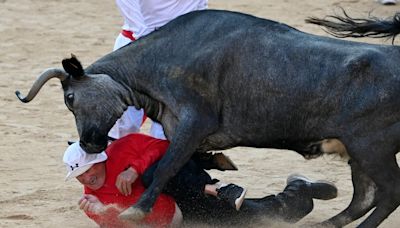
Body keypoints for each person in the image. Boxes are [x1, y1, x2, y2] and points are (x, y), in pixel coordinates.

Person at [64, 134, 338, 227]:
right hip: (181, 221)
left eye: (89, 168)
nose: (88, 176)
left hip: (188, 195)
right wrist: (103, 214)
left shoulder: (122, 149)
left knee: (263, 218)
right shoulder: (91, 198)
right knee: (254, 215)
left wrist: (133, 169)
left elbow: (164, 147)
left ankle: (297, 191)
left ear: (100, 158)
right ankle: (298, 186)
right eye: (81, 175)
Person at [108, 0, 208, 140]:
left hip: (180, 49)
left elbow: (201, 9)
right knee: (123, 121)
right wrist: (144, 36)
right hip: (137, 47)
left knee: (168, 126)